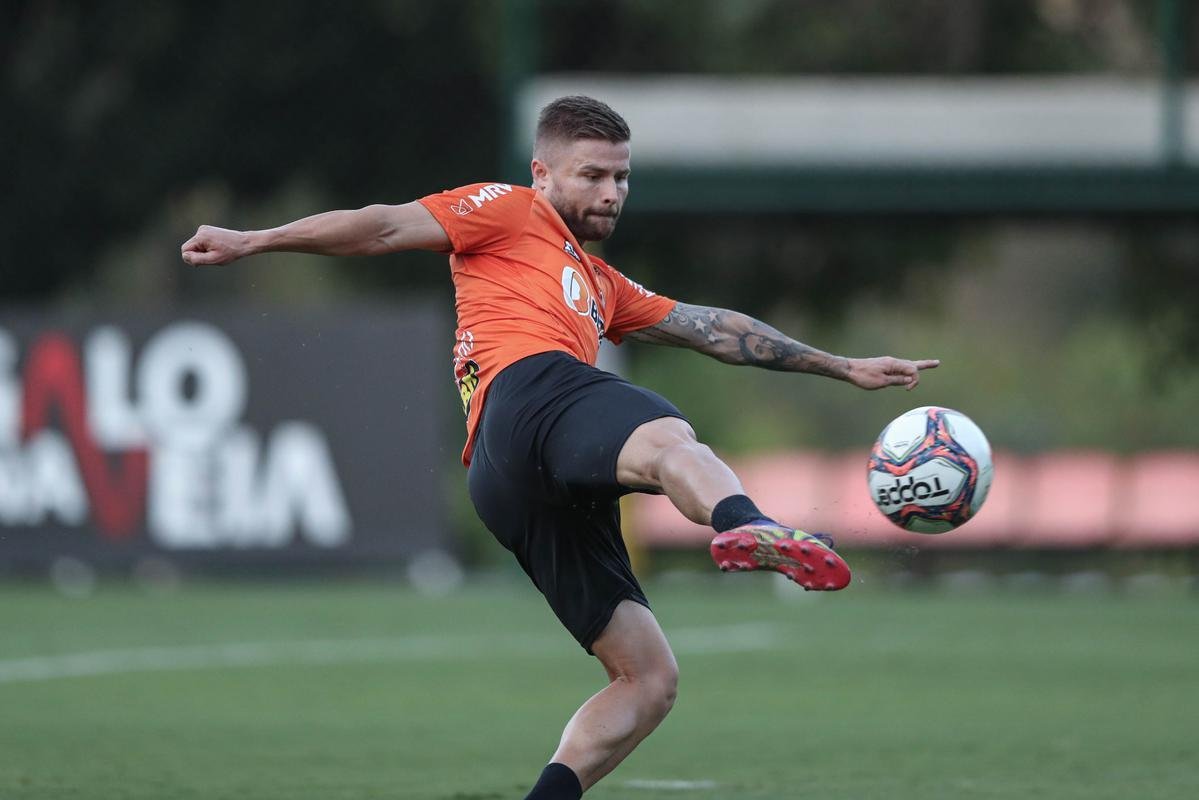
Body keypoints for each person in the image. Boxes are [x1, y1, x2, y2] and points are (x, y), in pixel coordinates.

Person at [181, 95, 937, 799]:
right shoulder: (508, 210)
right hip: (530, 392)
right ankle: (743, 520)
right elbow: (382, 224)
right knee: (668, 436)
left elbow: (713, 329)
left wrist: (840, 367)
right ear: (542, 174)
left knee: (647, 680)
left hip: (504, 478)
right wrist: (255, 240)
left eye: (621, 177)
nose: (611, 192)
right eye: (593, 175)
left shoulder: (601, 285)